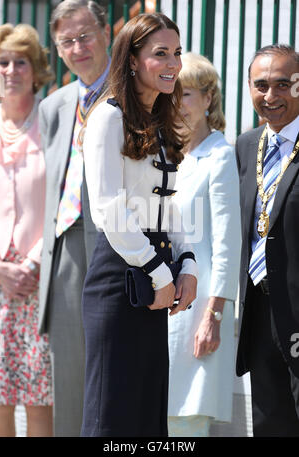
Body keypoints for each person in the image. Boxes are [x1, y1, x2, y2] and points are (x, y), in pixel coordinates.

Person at [80, 13, 198, 437]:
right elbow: (109, 208)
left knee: (147, 419)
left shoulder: (158, 121)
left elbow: (168, 206)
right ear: (132, 60)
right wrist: (158, 271)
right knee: (110, 417)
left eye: (177, 53)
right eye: (160, 53)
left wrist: (187, 265)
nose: (173, 63)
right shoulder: (108, 118)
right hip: (120, 279)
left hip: (154, 275)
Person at [37, 0, 110, 437]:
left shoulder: (132, 93)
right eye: (67, 41)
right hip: (64, 247)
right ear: (58, 50)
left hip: (115, 247)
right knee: (67, 377)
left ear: (105, 33)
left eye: (85, 35)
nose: (77, 47)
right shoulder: (54, 105)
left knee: (113, 374)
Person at [167, 53, 241, 437]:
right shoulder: (161, 154)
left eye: (189, 94)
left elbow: (229, 243)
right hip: (160, 304)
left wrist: (213, 317)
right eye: (173, 94)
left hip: (198, 312)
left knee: (187, 422)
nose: (178, 104)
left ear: (209, 99)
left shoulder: (220, 155)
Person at [236, 44, 299, 436]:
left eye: (283, 85)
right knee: (269, 423)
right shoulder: (245, 146)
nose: (271, 96)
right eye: (261, 85)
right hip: (260, 315)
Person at [0, 23, 54, 437]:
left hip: (42, 281)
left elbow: (67, 203)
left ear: (36, 71)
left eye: (21, 61)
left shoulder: (53, 125)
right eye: (2, 62)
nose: (10, 70)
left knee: (39, 400)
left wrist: (33, 263)